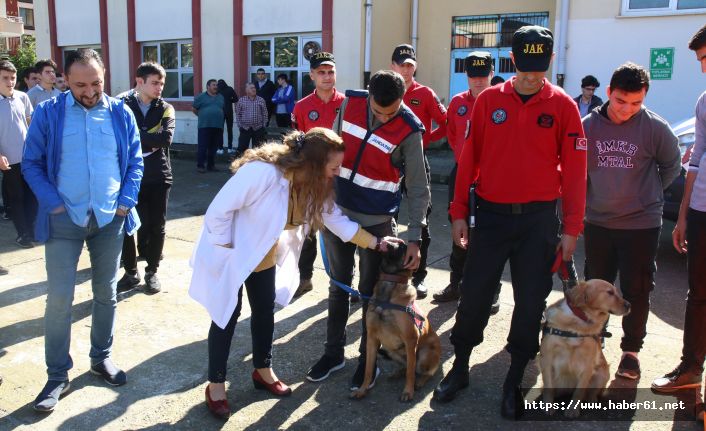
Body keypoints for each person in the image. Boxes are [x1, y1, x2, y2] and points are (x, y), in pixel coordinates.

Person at [189, 128, 400, 419]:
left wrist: (376, 243)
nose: (338, 173)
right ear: (313, 164)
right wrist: (225, 251)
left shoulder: (316, 185)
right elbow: (218, 211)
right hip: (231, 252)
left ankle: (263, 370)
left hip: (263, 255)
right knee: (226, 315)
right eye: (333, 166)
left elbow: (336, 220)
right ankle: (215, 385)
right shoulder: (262, 174)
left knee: (264, 311)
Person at [434, 26, 586, 420]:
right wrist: (457, 213)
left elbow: (574, 173)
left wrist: (571, 229)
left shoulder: (564, 107)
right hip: (492, 216)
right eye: (525, 68)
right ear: (513, 61)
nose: (532, 77)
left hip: (538, 221)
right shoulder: (488, 102)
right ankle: (461, 366)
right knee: (474, 295)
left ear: (549, 62)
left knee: (530, 302)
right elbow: (469, 159)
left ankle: (514, 376)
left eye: (540, 68)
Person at [22, 48, 143, 412]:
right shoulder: (48, 113)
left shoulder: (121, 112)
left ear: (105, 76)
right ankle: (57, 374)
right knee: (59, 300)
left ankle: (100, 358)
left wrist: (126, 200)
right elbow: (31, 164)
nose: (89, 91)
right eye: (80, 85)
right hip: (63, 220)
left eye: (96, 83)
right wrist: (53, 204)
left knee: (106, 294)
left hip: (111, 220)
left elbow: (135, 161)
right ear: (64, 80)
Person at [306, 70, 430, 392]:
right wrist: (321, 197)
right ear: (369, 96)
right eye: (377, 111)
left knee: (371, 294)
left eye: (389, 113)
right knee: (338, 288)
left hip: (377, 220)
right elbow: (329, 152)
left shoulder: (410, 129)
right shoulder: (351, 105)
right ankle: (333, 354)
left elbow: (418, 187)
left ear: (403, 100)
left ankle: (366, 361)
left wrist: (414, 236)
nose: (382, 117)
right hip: (339, 214)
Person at [583, 62, 680, 380]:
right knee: (597, 287)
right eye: (621, 101)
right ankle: (593, 343)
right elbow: (576, 172)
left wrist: (647, 196)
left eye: (637, 103)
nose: (628, 109)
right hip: (598, 221)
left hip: (641, 224)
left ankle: (630, 352)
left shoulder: (655, 128)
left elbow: (671, 167)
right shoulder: (588, 126)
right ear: (608, 93)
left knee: (637, 290)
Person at [652, 24, 706, 410]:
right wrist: (684, 215)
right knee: (698, 296)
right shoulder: (704, 101)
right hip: (702, 210)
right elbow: (696, 161)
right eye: (701, 62)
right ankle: (689, 372)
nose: (703, 69)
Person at [433, 51, 499, 309]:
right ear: (467, 76)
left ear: (491, 74)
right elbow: (452, 135)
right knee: (458, 230)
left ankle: (490, 291)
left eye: (483, 75)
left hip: (491, 176)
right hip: (462, 173)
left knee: (491, 234)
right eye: (474, 76)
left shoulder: (502, 103)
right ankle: (456, 283)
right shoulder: (458, 103)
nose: (479, 81)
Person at [390, 43, 447, 299]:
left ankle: (419, 276)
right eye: (401, 65)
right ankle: (386, 272)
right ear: (393, 66)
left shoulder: (425, 93)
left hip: (415, 159)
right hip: (388, 161)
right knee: (384, 216)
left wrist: (428, 139)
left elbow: (446, 122)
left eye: (410, 65)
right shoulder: (384, 89)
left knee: (420, 216)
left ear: (415, 67)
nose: (405, 70)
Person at [116, 62, 175, 295]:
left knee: (156, 225)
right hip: (128, 174)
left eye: (162, 83)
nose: (159, 88)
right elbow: (117, 136)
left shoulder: (165, 108)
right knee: (127, 225)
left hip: (158, 173)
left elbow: (165, 140)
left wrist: (134, 136)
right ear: (139, 81)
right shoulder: (120, 104)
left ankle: (152, 271)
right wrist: (149, 136)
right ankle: (131, 273)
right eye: (155, 83)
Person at [291, 51, 346, 298]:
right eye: (321, 72)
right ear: (312, 75)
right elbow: (296, 145)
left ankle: (344, 281)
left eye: (330, 72)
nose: (326, 77)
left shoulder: (348, 104)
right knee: (308, 232)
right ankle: (305, 278)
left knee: (342, 232)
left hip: (341, 178)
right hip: (312, 179)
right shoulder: (302, 107)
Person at [0, 60, 35, 248]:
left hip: (29, 158)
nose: (10, 81)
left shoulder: (22, 97)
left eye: (12, 77)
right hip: (9, 160)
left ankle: (31, 229)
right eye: (5, 78)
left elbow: (29, 123)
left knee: (32, 196)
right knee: (17, 198)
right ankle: (23, 233)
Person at [192, 79, 225, 173]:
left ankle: (211, 165)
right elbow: (194, 109)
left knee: (213, 147)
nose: (216, 87)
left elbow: (221, 108)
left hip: (218, 126)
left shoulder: (221, 97)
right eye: (213, 85)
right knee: (203, 146)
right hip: (204, 126)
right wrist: (203, 116)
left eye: (216, 85)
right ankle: (200, 166)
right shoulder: (201, 97)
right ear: (208, 86)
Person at [235, 82, 268, 157]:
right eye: (251, 88)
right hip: (245, 128)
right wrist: (240, 126)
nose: (254, 89)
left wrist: (263, 126)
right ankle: (240, 166)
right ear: (247, 90)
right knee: (242, 149)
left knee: (258, 150)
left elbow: (265, 114)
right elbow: (238, 114)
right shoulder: (241, 100)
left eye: (254, 88)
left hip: (258, 129)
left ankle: (257, 166)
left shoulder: (261, 100)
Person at [217, 79, 238, 155]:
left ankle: (220, 148)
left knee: (220, 131)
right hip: (229, 112)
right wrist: (229, 100)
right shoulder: (230, 89)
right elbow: (236, 99)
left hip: (220, 113)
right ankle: (229, 148)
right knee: (230, 130)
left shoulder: (217, 90)